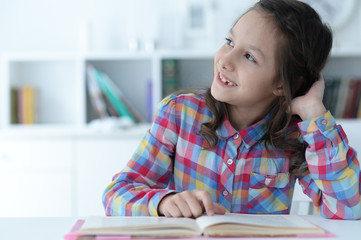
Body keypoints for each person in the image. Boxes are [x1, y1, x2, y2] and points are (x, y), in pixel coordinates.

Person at [103, 0, 361, 219]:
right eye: (229, 41)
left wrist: (315, 113)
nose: (225, 60)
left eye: (249, 56)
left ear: (283, 84)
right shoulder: (178, 115)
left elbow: (348, 210)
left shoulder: (296, 137)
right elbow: (116, 194)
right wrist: (162, 202)